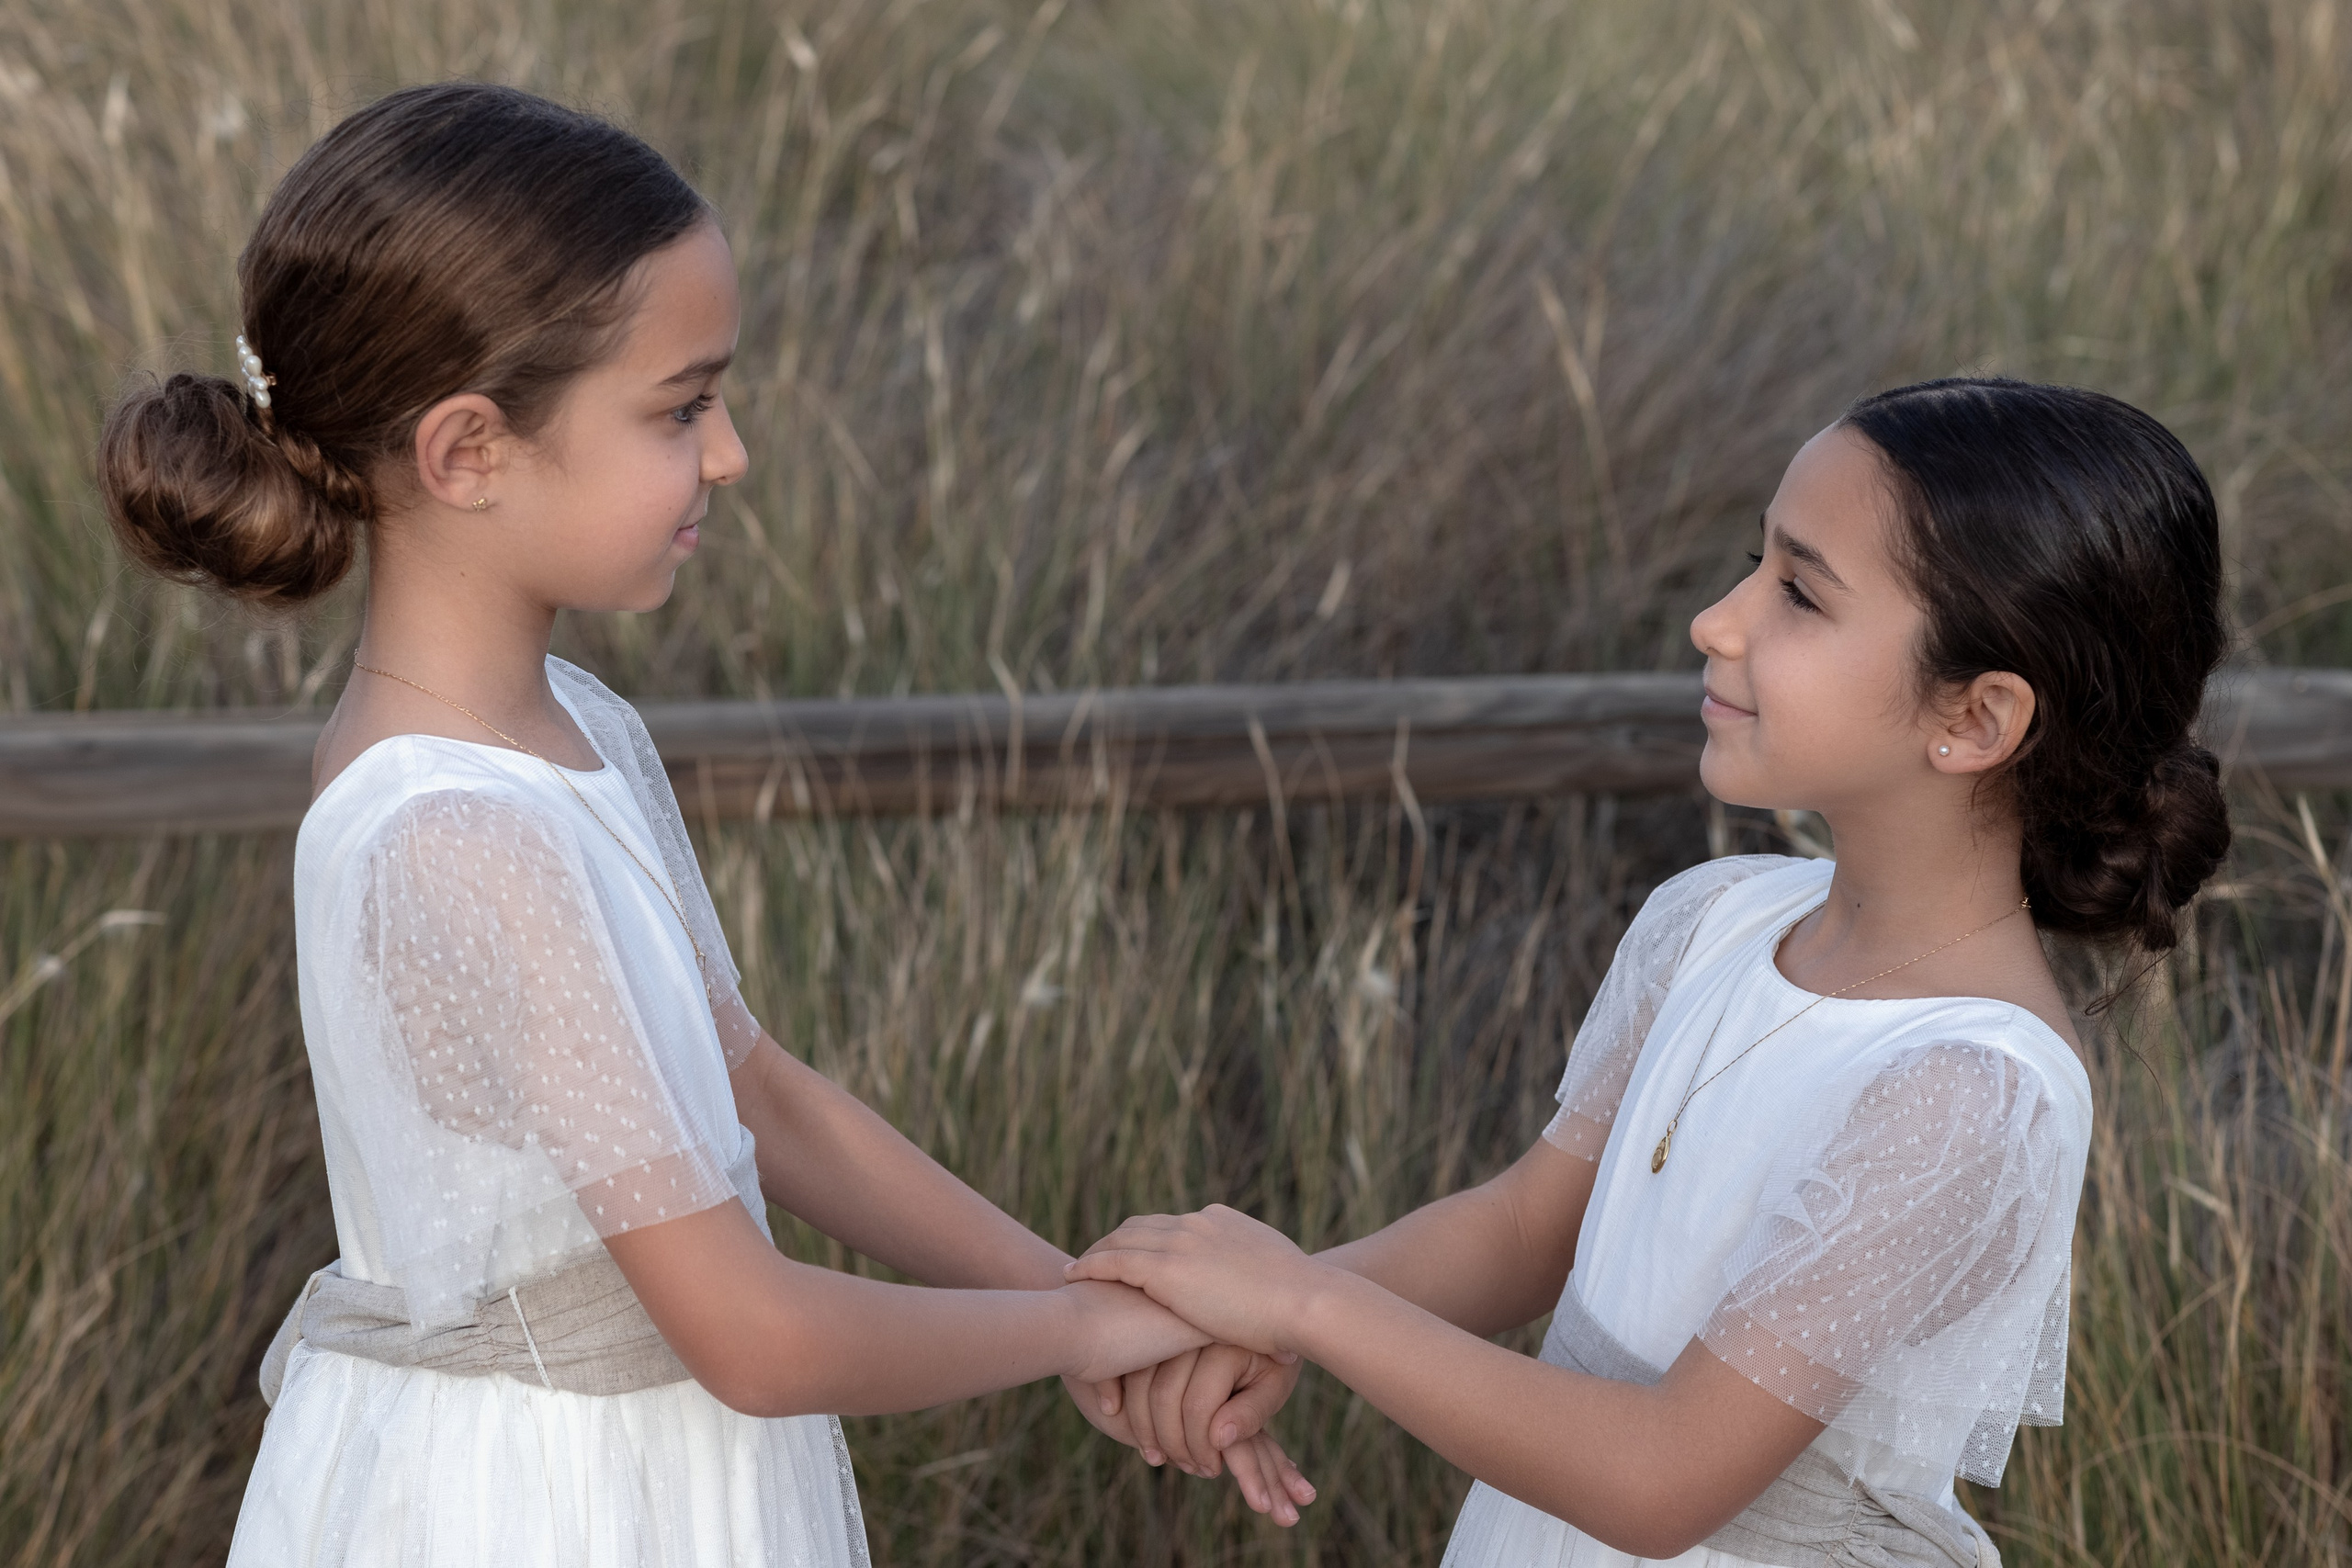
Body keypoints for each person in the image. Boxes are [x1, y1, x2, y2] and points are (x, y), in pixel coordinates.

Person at [96, 82, 1312, 1565]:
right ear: (467, 451)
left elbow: (752, 1088)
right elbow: (750, 1334)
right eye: (682, 408)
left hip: (674, 1468)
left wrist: (1085, 1304)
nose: (728, 454)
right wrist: (1077, 1325)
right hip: (545, 1506)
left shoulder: (575, 726)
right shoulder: (458, 839)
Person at [1073, 377, 2234, 1565]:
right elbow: (1530, 1227)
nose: (1717, 621)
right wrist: (1264, 1324)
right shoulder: (1715, 919)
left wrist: (1307, 1304)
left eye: (1799, 593)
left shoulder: (1966, 1092)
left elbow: (1660, 1480)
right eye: (1753, 563)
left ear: (1976, 719)